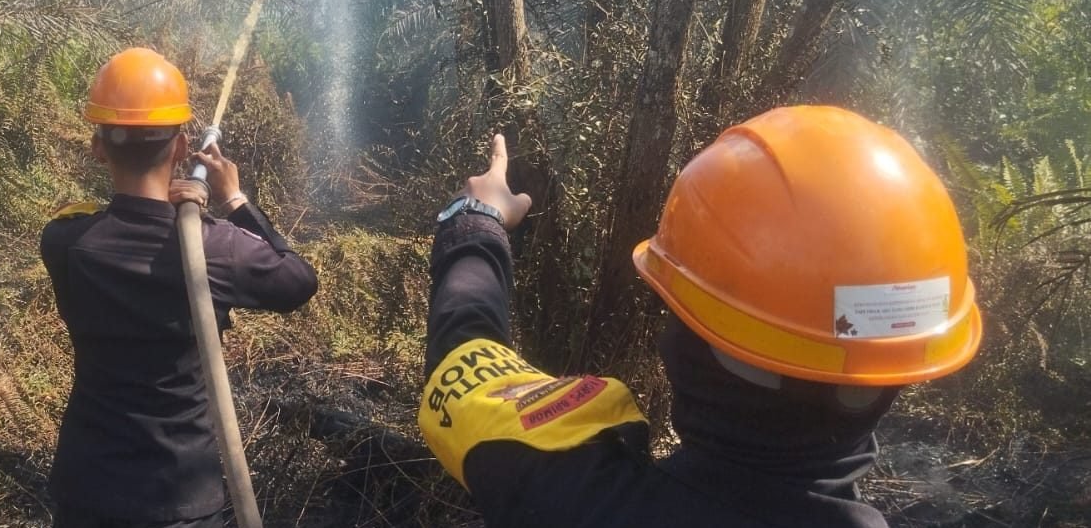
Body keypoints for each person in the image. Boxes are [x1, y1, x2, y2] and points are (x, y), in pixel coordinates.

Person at [419, 106, 983, 527]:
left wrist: (479, 216)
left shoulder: (569, 495)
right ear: (895, 375)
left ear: (693, 350)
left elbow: (465, 361)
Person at [41, 47, 319, 528]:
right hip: (178, 497)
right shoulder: (215, 248)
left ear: (98, 147)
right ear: (180, 147)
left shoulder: (65, 241)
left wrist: (173, 208)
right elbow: (298, 281)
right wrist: (233, 200)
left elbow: (118, 228)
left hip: (87, 489)